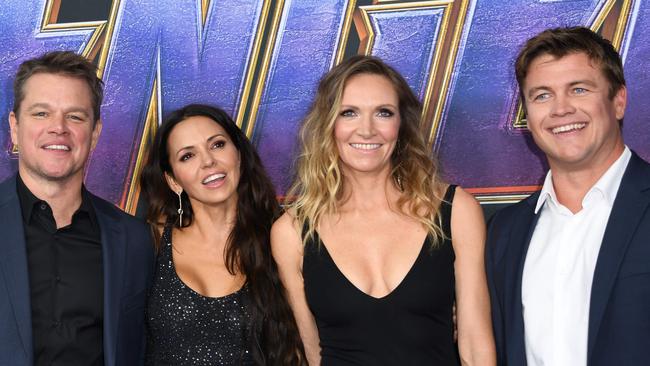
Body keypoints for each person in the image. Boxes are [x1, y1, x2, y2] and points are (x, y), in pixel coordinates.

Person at [271, 55, 495, 365]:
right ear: (328, 124)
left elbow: (475, 344)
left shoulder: (455, 211)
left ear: (401, 125)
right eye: (349, 113)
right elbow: (312, 352)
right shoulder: (292, 232)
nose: (366, 130)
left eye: (383, 113)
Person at [486, 26, 650, 366]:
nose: (560, 109)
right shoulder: (505, 232)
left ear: (618, 100)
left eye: (578, 89)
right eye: (542, 95)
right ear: (527, 116)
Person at [0, 51, 154, 365]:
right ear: (14, 127)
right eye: (41, 113)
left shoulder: (133, 239)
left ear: (94, 133)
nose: (59, 128)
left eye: (75, 116)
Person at [140, 104, 305, 365]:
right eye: (187, 156)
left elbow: (309, 343)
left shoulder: (282, 239)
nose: (208, 161)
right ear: (173, 181)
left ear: (238, 154)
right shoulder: (152, 241)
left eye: (217, 145)